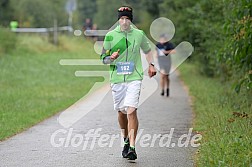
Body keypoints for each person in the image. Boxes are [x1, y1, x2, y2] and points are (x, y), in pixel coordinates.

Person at [100, 6, 156, 160]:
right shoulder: (110, 36)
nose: (124, 21)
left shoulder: (139, 34)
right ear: (118, 20)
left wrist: (151, 65)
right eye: (122, 18)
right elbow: (103, 59)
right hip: (117, 79)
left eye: (127, 18)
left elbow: (148, 50)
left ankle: (132, 147)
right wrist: (111, 58)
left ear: (131, 20)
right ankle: (125, 139)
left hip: (134, 77)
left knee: (131, 110)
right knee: (121, 112)